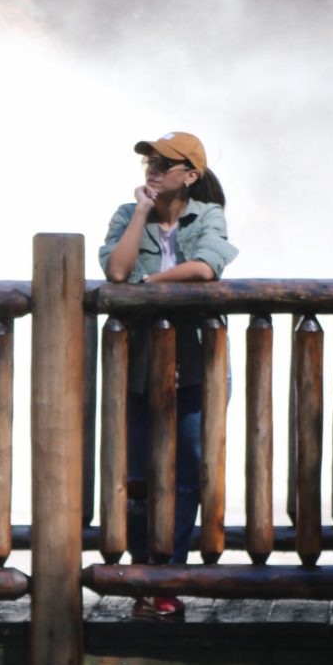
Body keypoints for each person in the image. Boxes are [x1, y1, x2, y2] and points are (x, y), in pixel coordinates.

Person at [99, 131, 238, 621]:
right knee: (137, 474)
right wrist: (140, 212)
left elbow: (206, 268)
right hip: (138, 365)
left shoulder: (208, 216)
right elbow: (116, 273)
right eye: (149, 164)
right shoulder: (126, 214)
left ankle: (168, 575)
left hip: (197, 361)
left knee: (186, 475)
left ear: (191, 176)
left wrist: (151, 283)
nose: (153, 171)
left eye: (164, 165)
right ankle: (143, 574)